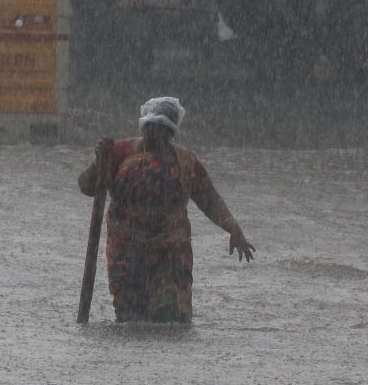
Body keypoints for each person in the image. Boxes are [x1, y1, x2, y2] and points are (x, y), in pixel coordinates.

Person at [78, 97, 255, 323]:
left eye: (161, 131)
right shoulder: (119, 152)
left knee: (172, 320)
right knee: (130, 321)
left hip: (171, 255)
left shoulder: (186, 162)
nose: (154, 137)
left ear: (171, 133)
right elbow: (85, 186)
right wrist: (98, 162)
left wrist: (232, 227)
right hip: (127, 253)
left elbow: (209, 198)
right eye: (150, 130)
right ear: (143, 128)